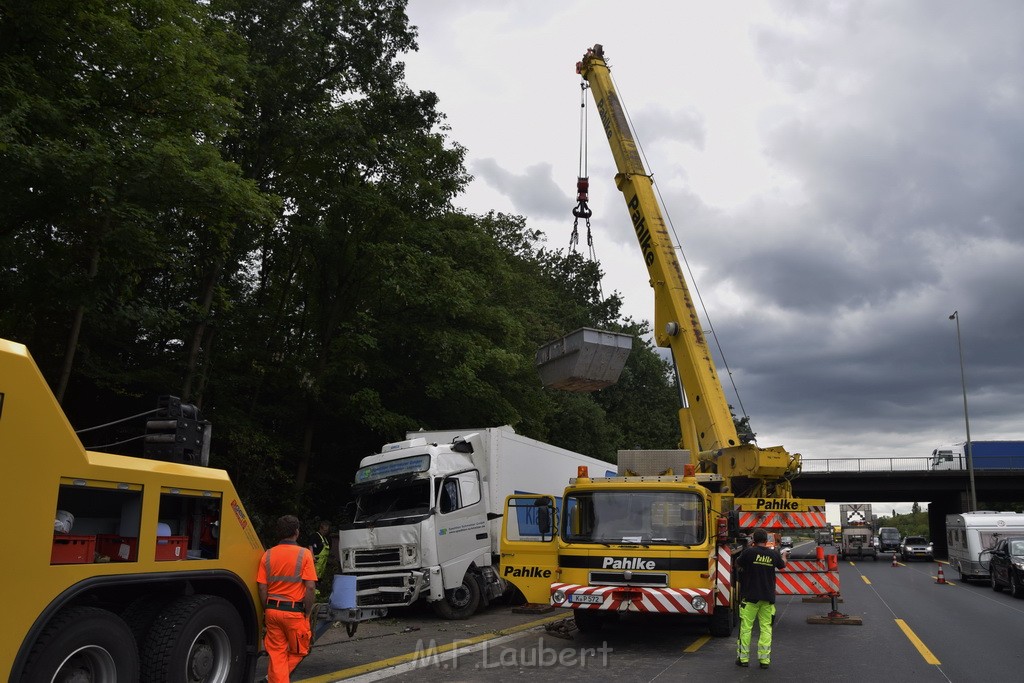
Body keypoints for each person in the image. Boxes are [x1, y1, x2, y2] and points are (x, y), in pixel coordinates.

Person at [257, 515, 318, 682]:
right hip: (294, 612)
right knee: (301, 650)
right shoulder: (304, 554)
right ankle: (273, 679)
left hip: (272, 612)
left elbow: (262, 587)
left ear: (279, 533)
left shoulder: (267, 555)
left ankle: (274, 678)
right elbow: (310, 587)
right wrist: (308, 610)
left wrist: (266, 608)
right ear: (296, 532)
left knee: (277, 655)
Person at [735, 528, 789, 669]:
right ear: (766, 540)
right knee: (766, 629)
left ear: (753, 540)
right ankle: (764, 661)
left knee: (746, 629)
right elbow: (782, 565)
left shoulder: (749, 553)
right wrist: (784, 555)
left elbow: (738, 563)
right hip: (767, 598)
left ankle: (743, 659)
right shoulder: (773, 554)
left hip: (750, 598)